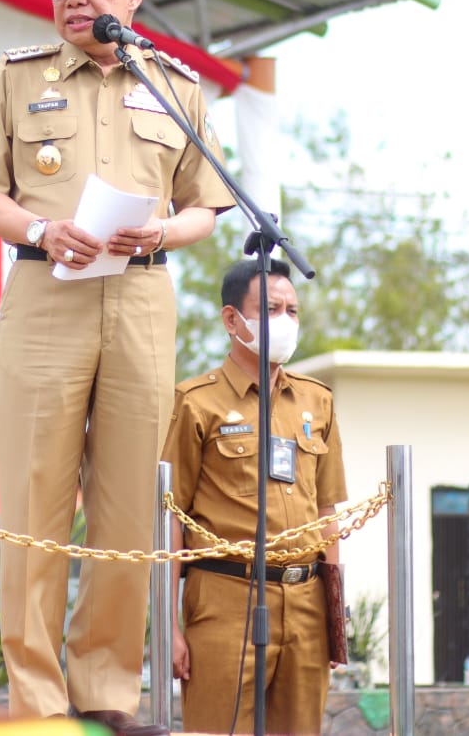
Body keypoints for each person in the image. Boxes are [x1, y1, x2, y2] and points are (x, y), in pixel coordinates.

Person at [0, 0, 231, 731]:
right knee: (36, 504)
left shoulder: (177, 86)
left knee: (125, 511)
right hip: (47, 294)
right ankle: (37, 706)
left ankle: (105, 694)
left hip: (142, 298)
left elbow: (207, 204)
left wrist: (165, 232)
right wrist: (40, 229)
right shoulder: (15, 77)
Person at [164, 259, 347, 736]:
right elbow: (170, 518)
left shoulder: (317, 401)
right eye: (269, 308)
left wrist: (333, 617)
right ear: (231, 320)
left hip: (305, 600)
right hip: (225, 599)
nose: (284, 320)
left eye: (292, 310)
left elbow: (327, 512)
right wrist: (165, 626)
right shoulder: (195, 402)